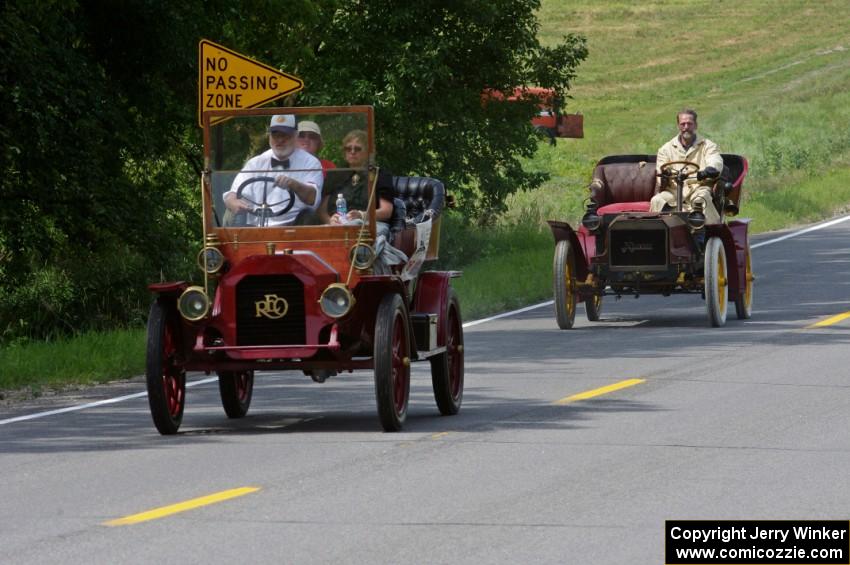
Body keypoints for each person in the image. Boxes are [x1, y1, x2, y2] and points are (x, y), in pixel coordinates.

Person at [223, 114, 323, 226]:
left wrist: (293, 184)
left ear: (295, 136)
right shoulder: (256, 163)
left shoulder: (310, 162)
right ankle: (236, 243)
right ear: (269, 137)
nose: (280, 140)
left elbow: (312, 198)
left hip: (294, 227)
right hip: (256, 228)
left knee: (309, 216)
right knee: (230, 214)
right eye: (275, 135)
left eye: (285, 135)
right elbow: (232, 194)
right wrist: (232, 201)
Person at [650, 109, 724, 224]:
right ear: (678, 126)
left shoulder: (707, 145)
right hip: (673, 192)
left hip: (698, 188)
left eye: (689, 123)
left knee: (702, 198)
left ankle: (705, 232)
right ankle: (658, 233)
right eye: (682, 124)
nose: (686, 127)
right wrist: (665, 175)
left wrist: (708, 170)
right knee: (657, 200)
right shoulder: (665, 149)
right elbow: (661, 171)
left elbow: (715, 161)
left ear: (695, 125)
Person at [318, 129, 395, 239]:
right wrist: (330, 220)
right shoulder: (335, 175)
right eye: (348, 148)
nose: (352, 152)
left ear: (368, 152)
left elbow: (386, 211)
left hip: (370, 226)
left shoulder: (379, 175)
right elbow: (321, 211)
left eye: (357, 149)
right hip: (336, 228)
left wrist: (361, 215)